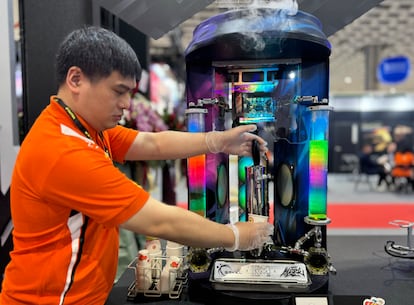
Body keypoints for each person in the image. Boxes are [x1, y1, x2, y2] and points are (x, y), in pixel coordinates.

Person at [0, 26, 273, 305]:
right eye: (119, 91)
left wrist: (216, 141)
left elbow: (152, 144)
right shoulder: (63, 151)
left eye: (130, 93)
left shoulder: (83, 126)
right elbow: (159, 220)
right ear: (76, 79)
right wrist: (235, 236)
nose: (127, 105)